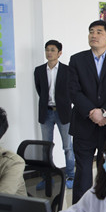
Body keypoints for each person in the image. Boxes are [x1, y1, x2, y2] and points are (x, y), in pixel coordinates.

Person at [69, 20, 106, 204]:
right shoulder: (77, 60)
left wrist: (104, 112)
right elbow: (73, 91)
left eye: (99, 32)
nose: (93, 35)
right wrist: (92, 112)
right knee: (83, 172)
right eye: (91, 31)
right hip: (83, 125)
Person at [34, 39, 75, 189]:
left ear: (59, 53)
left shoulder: (67, 70)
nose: (49, 53)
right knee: (46, 147)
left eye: (52, 50)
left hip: (63, 112)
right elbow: (40, 90)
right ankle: (47, 178)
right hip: (46, 112)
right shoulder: (39, 70)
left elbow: (72, 90)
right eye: (47, 50)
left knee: (67, 146)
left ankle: (70, 175)